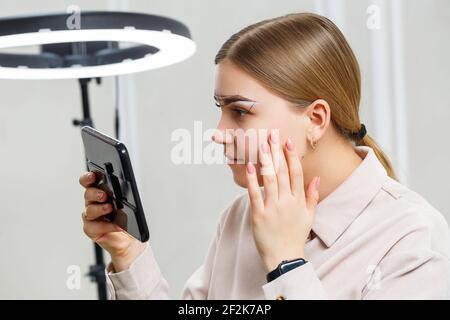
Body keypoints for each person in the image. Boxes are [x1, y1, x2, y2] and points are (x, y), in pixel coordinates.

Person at [79, 12, 450, 299]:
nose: (219, 134)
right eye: (220, 109)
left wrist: (287, 265)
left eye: (240, 111)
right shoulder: (240, 217)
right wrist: (129, 255)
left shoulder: (412, 238)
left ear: (316, 119)